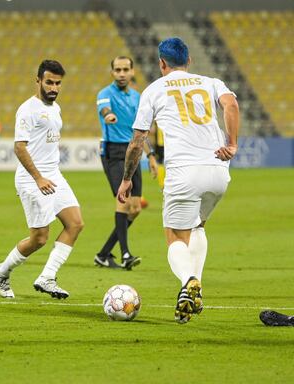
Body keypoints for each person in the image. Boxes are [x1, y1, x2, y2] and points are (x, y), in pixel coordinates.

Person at [117, 38, 239, 323]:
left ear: (162, 63)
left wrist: (126, 179)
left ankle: (189, 282)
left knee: (174, 236)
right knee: (198, 226)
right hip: (219, 169)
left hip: (184, 172)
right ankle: (191, 295)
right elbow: (231, 105)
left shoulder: (154, 89)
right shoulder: (211, 82)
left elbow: (137, 141)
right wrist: (232, 144)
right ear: (190, 61)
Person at [0, 60, 84, 299]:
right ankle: (2, 271)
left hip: (53, 175)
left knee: (75, 223)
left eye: (58, 83)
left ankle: (47, 277)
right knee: (39, 238)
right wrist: (38, 178)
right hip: (32, 179)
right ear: (38, 81)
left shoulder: (56, 108)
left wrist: (47, 175)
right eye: (49, 82)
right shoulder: (28, 110)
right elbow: (19, 147)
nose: (53, 88)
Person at [94, 56, 158, 270]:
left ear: (132, 72)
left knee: (136, 207)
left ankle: (103, 254)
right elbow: (105, 110)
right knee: (123, 202)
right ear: (112, 72)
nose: (121, 73)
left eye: (125, 69)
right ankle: (125, 254)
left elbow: (140, 131)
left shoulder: (138, 97)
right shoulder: (105, 94)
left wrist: (150, 156)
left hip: (134, 152)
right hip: (113, 151)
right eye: (117, 70)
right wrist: (109, 115)